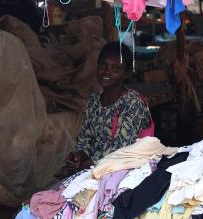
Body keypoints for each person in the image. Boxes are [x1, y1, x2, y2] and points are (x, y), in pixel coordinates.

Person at [55, 42, 153, 179]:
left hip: (126, 169)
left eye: (116, 68)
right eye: (103, 65)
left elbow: (123, 149)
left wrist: (88, 164)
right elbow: (86, 140)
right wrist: (79, 156)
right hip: (95, 167)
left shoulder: (132, 103)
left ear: (125, 74)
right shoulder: (94, 101)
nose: (107, 72)